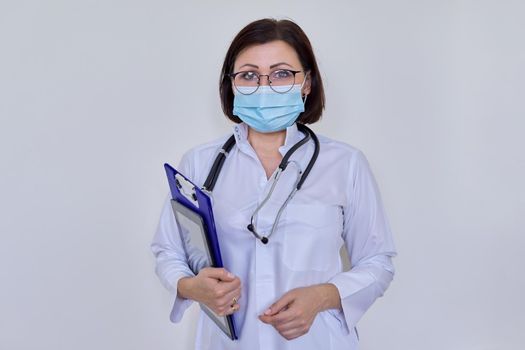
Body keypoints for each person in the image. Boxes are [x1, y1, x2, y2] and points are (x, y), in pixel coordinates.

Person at [151, 18, 397, 350]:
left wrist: (324, 296)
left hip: (316, 341)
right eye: (249, 75)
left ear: (307, 83)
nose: (264, 87)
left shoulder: (346, 164)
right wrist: (190, 286)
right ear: (232, 84)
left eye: (282, 73)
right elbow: (168, 251)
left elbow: (377, 262)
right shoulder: (200, 163)